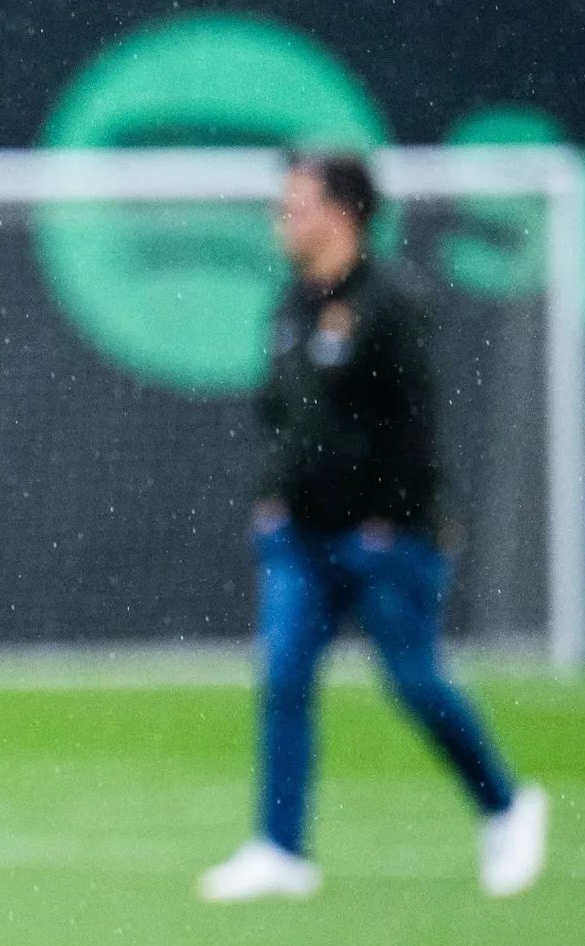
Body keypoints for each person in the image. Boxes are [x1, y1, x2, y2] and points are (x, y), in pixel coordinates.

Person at [201, 153, 549, 904]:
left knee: (416, 681)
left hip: (384, 537)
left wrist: (391, 519)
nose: (282, 219)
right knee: (285, 679)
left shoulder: (392, 301)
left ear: (345, 213)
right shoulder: (291, 301)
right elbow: (279, 415)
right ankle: (281, 848)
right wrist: (274, 497)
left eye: (297, 205)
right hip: (302, 535)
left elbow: (417, 425)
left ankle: (507, 806)